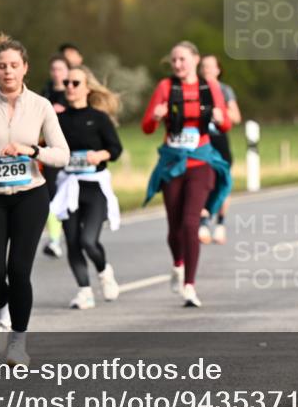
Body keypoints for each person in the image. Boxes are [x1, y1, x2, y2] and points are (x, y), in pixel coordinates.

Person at [0, 34, 69, 367]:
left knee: (18, 270)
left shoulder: (41, 105)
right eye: (2, 66)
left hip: (30, 197)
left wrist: (32, 150)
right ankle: (2, 314)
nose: (8, 72)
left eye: (14, 65)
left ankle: (18, 343)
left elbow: (62, 154)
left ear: (25, 68)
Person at [142, 41, 232, 308]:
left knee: (191, 223)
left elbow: (226, 124)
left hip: (200, 162)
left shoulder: (209, 87)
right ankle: (178, 263)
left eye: (182, 59)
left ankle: (190, 285)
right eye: (174, 60)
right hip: (173, 163)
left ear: (195, 59)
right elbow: (146, 127)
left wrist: (220, 118)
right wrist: (155, 117)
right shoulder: (165, 87)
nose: (178, 64)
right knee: (175, 227)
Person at [51, 65, 124, 309]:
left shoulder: (99, 118)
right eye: (67, 83)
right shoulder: (58, 120)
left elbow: (116, 149)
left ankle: (104, 272)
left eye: (75, 83)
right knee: (72, 241)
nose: (70, 87)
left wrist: (100, 154)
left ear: (87, 88)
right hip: (68, 185)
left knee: (88, 241)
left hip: (94, 187)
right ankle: (84, 291)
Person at [197, 54, 242, 245]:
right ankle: (203, 222)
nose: (206, 70)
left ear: (218, 70)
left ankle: (220, 224)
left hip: (219, 140)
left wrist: (220, 113)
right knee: (203, 182)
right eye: (203, 67)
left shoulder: (225, 90)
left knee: (223, 182)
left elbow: (236, 117)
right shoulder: (195, 88)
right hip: (201, 141)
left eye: (210, 66)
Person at [40, 54, 70, 258]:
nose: (57, 73)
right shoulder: (46, 94)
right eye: (54, 69)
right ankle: (54, 240)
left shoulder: (73, 91)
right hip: (51, 152)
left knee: (70, 197)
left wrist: (64, 111)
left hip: (73, 152)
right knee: (51, 196)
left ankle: (73, 234)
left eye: (60, 69)